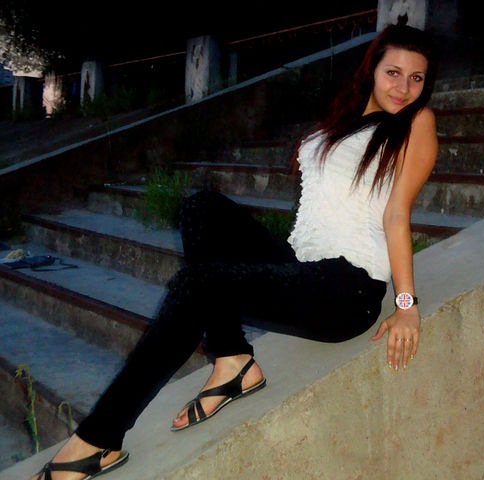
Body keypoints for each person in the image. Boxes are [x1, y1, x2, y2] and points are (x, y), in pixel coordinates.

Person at [30, 22, 439, 480]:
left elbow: (396, 215)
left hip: (347, 290)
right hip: (303, 267)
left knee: (200, 283)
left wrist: (406, 305)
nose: (403, 87)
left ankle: (98, 439)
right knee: (202, 207)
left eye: (416, 78)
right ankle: (232, 359)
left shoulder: (416, 123)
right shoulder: (344, 120)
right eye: (393, 73)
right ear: (372, 70)